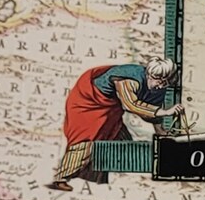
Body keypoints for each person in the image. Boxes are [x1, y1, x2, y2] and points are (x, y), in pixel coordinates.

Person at [50, 56, 182, 190]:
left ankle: (95, 180)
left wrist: (161, 132)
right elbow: (131, 105)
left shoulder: (158, 89)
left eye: (165, 84)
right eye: (159, 82)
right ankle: (61, 177)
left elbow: (151, 114)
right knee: (87, 140)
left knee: (119, 138)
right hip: (89, 102)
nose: (161, 86)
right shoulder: (129, 79)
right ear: (150, 75)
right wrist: (165, 112)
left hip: (111, 106)